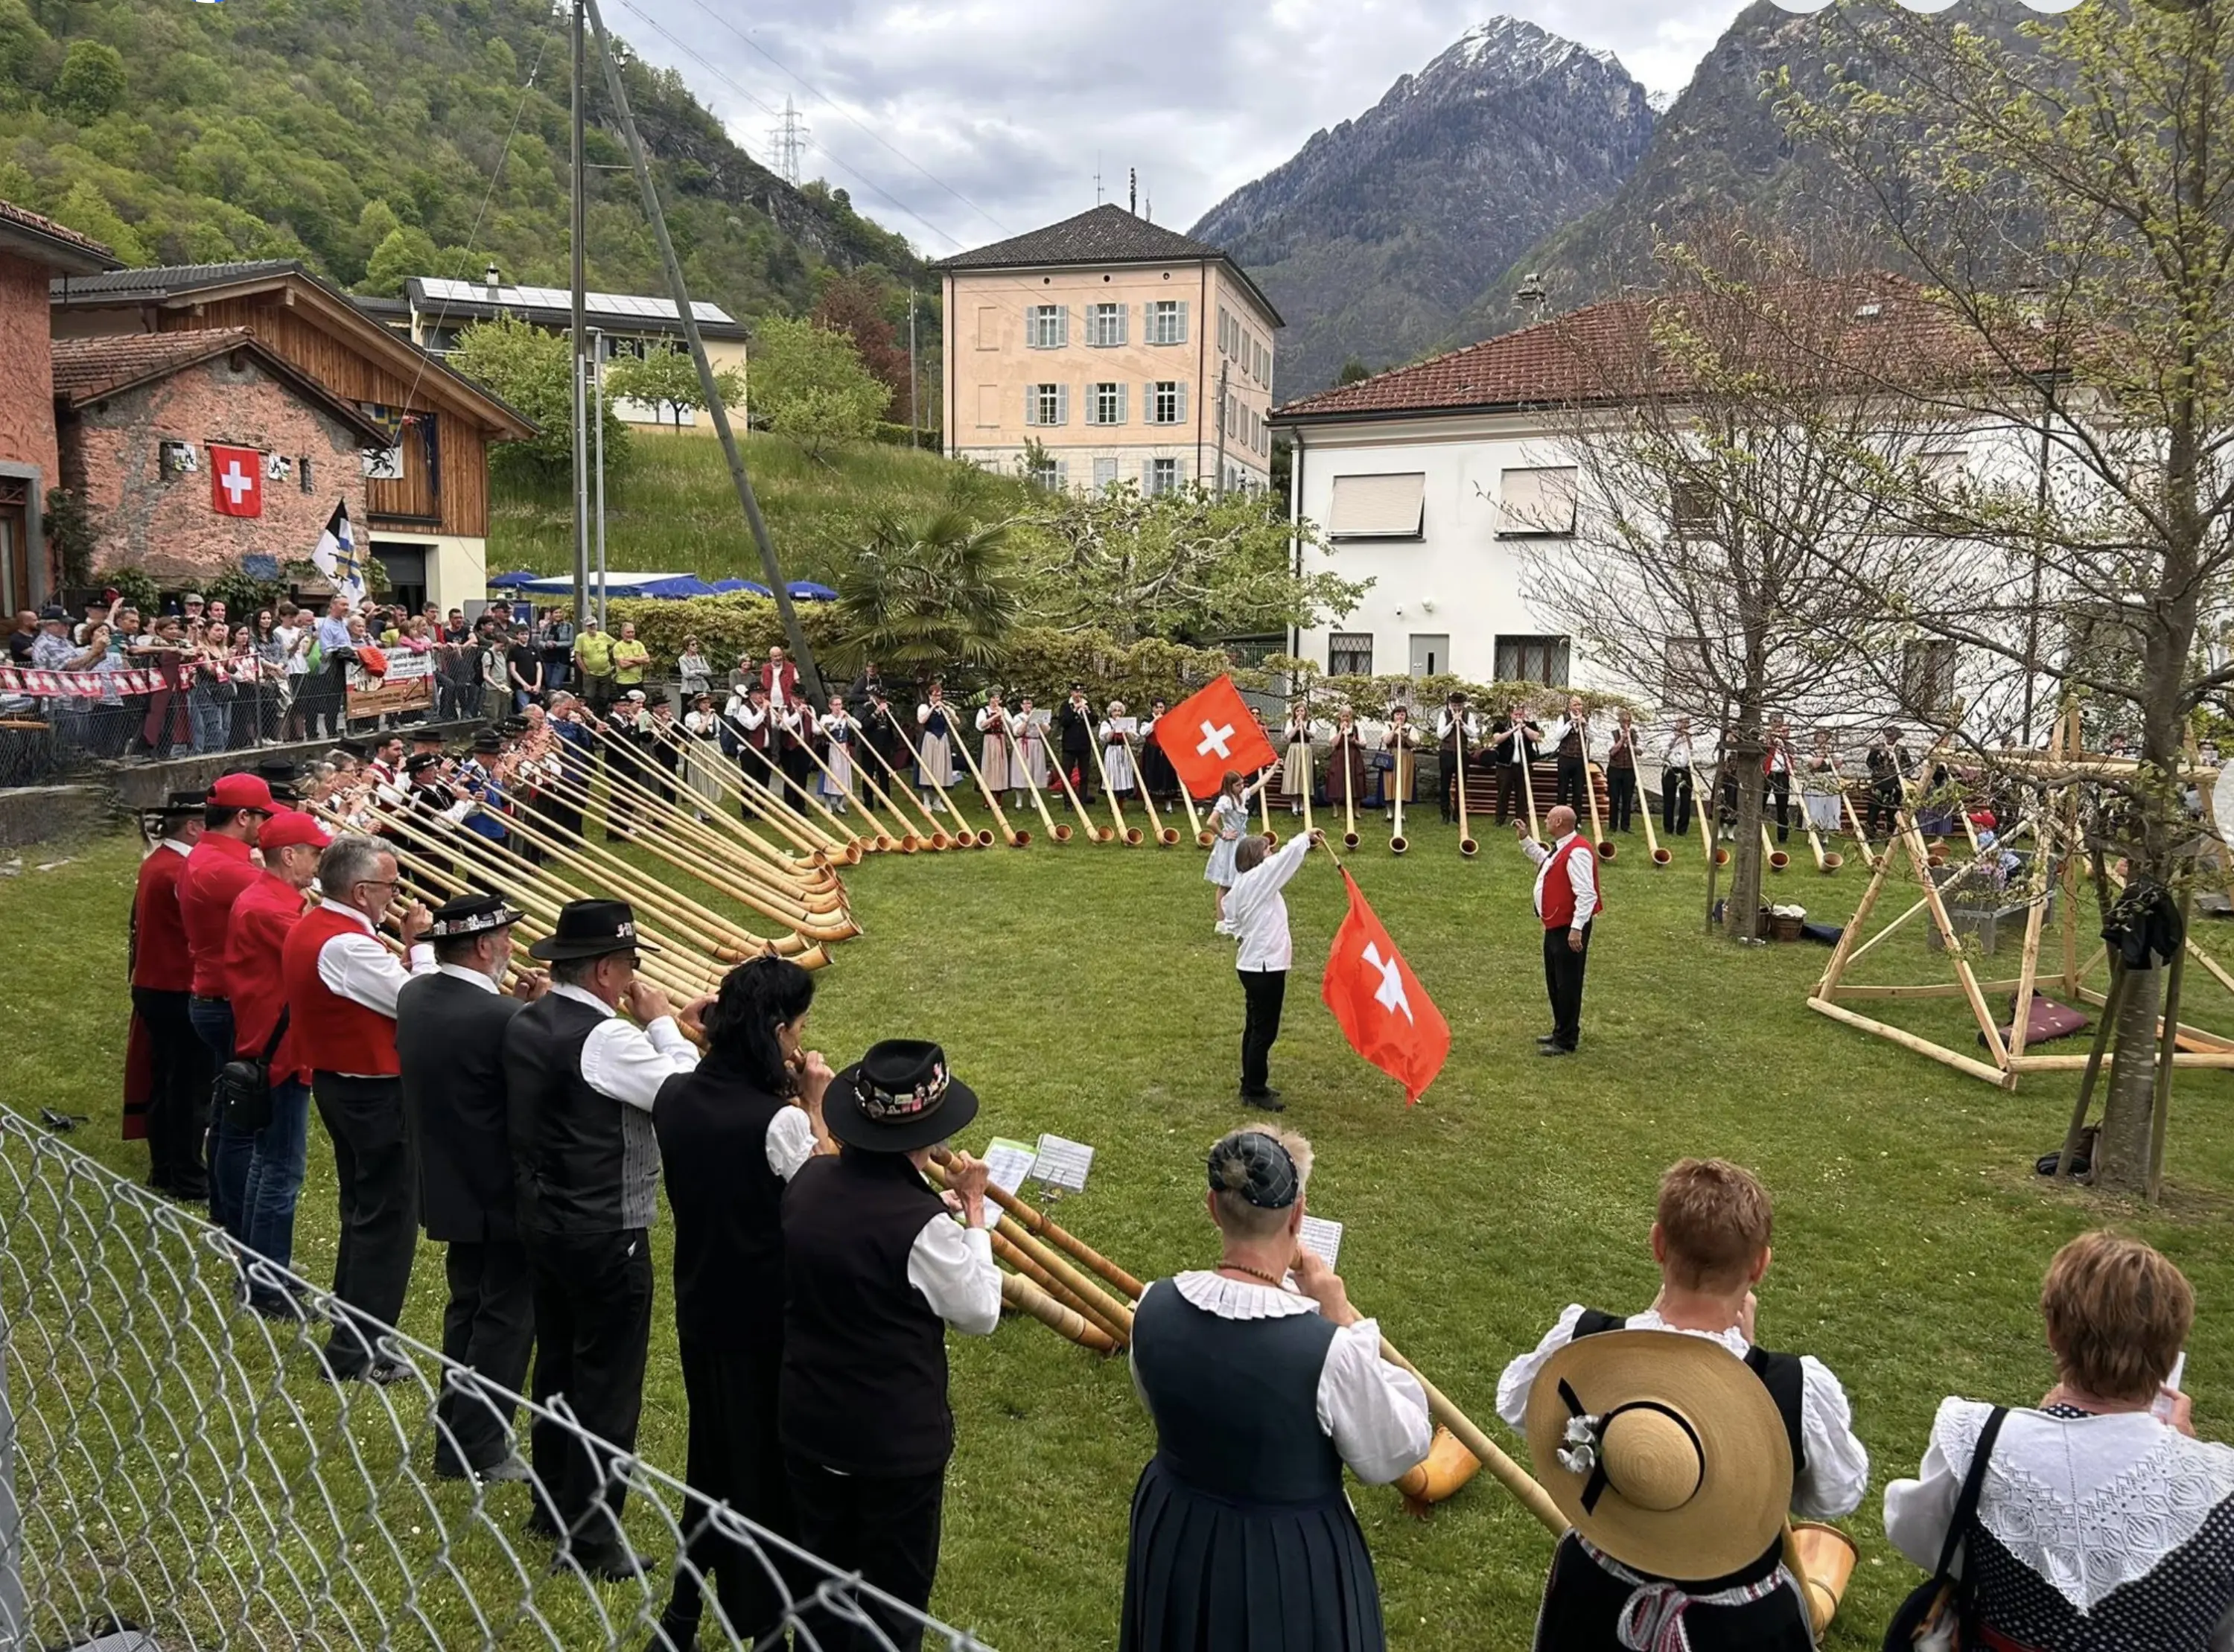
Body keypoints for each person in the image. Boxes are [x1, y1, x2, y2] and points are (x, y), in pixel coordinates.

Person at [1502, 1158, 1868, 1651]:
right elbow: (1834, 1494)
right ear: (1760, 1264)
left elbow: (1517, 1407)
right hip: (1740, 1624)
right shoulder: (1792, 1385)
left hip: (1594, 1596)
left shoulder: (1584, 1344)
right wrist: (1747, 1387)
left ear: (1657, 1243)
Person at [1121, 1128, 1430, 1652]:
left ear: (1213, 1208)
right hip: (1287, 1557)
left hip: (1175, 1531)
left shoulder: (1153, 1305)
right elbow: (1396, 1450)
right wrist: (1344, 1323)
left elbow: (1160, 1402)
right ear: (1297, 1214)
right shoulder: (1328, 1349)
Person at [1883, 1231, 2232, 1649]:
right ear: (2171, 1350)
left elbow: (1920, 1533)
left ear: (2053, 1331)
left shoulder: (1982, 1439)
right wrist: (2184, 1456)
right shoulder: (2221, 1486)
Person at [506, 899, 708, 1579]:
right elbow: (679, 1093)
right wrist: (661, 1024)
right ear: (602, 969)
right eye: (626, 968)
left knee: (558, 1362)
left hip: (544, 1216)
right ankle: (592, 1538)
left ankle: (551, 1503)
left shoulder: (530, 1017)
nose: (630, 981)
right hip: (605, 1226)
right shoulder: (609, 1037)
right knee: (608, 1385)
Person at [779, 1039, 1001, 1652]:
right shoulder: (922, 1226)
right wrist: (975, 1212)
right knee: (891, 1609)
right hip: (890, 1448)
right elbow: (981, 1310)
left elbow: (859, 1228)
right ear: (925, 1133)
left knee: (819, 1592)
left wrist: (937, 1208)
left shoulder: (809, 1178)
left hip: (811, 1425)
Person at [651, 956, 836, 1648]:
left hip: (702, 1305)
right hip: (768, 1320)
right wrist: (814, 1105)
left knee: (713, 1458)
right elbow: (826, 1202)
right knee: (764, 1475)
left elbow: (688, 1048)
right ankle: (762, 1622)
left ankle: (683, 1613)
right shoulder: (780, 1125)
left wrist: (716, 1033)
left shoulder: (674, 1095)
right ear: (781, 1029)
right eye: (798, 1028)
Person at [397, 893, 544, 1483]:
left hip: (449, 1180)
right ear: (484, 946)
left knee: (467, 1309)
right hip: (503, 1190)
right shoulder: (504, 1018)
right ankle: (480, 1445)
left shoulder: (416, 993)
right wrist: (535, 1011)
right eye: (505, 939)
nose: (510, 948)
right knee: (507, 1319)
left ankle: (454, 1433)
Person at [283, 833, 436, 1380]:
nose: (397, 896)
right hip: (373, 1091)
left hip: (347, 1084)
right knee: (386, 1222)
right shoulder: (349, 945)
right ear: (364, 889)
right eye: (391, 886)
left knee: (365, 1213)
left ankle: (354, 1331)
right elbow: (420, 1003)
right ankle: (358, 1350)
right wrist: (417, 944)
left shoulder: (323, 928)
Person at [220, 809, 329, 1314]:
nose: (319, 861)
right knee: (280, 1172)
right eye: (314, 852)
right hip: (282, 1053)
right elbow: (321, 956)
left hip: (273, 1046)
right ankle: (269, 1287)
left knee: (270, 1166)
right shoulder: (272, 909)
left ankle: (263, 1270)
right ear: (290, 855)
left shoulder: (270, 898)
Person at [180, 772, 278, 1227]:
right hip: (231, 1003)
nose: (267, 826)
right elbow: (290, 904)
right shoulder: (232, 870)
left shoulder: (206, 857)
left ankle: (226, 1216)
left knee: (227, 1113)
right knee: (243, 1123)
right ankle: (240, 1226)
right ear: (244, 817)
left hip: (211, 996)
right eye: (264, 817)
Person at [128, 791, 209, 1199]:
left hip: (155, 985)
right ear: (193, 826)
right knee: (188, 1090)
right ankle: (187, 1177)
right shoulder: (180, 870)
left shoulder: (158, 863)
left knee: (166, 1082)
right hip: (175, 988)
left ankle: (164, 1169)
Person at [1226, 828, 1323, 1109]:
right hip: (1264, 967)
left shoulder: (1244, 885)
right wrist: (1305, 837)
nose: (1271, 854)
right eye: (1266, 850)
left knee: (1254, 1027)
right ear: (1257, 859)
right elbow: (1283, 859)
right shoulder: (1258, 880)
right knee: (1264, 1031)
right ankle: (1255, 1090)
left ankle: (1250, 1083)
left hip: (1253, 964)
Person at [1517, 803, 1600, 1056]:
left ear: (1560, 823)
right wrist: (1525, 840)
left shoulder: (1578, 852)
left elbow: (1587, 893)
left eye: (1549, 819)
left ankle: (1566, 1039)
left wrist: (1576, 929)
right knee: (1555, 981)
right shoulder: (1562, 848)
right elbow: (1546, 861)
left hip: (1568, 927)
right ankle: (1560, 1028)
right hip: (1556, 925)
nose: (1545, 822)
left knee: (1568, 983)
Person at [1205, 771, 1250, 929]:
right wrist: (1223, 834)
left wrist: (1272, 770)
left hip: (1241, 843)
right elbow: (1211, 821)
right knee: (1225, 884)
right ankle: (1221, 921)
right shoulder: (1225, 800)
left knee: (1241, 881)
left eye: (1242, 783)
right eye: (1238, 785)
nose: (1242, 787)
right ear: (1230, 786)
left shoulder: (1241, 797)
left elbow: (1259, 785)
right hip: (1230, 846)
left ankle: (1234, 917)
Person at [1540, 694, 1591, 811]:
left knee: (1578, 791)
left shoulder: (1586, 719)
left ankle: (1576, 820)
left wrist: (1585, 725)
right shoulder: (1563, 718)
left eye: (1580, 704)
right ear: (1570, 706)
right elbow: (1558, 736)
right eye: (1575, 704)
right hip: (1565, 758)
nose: (1578, 707)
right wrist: (1570, 724)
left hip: (1580, 759)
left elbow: (1592, 739)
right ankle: (1560, 816)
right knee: (1562, 790)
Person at [914, 681, 958, 811]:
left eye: (940, 696)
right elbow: (922, 720)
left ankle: (938, 801)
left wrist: (947, 709)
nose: (938, 698)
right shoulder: (924, 707)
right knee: (928, 769)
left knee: (942, 769)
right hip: (929, 739)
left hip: (942, 739)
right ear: (930, 696)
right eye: (935, 696)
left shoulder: (944, 708)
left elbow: (957, 721)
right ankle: (926, 801)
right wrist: (933, 708)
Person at [1057, 683, 1096, 805]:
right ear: (1071, 693)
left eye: (1081, 692)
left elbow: (1094, 722)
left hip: (1084, 745)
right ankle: (1068, 802)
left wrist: (1088, 711)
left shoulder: (1087, 703)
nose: (1079, 694)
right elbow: (1064, 722)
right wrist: (1075, 711)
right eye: (1076, 692)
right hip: (1069, 746)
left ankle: (1082, 800)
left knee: (1084, 775)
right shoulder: (1066, 705)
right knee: (1067, 774)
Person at [975, 689, 1015, 805]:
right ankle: (987, 798)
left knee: (1000, 768)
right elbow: (981, 725)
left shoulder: (1004, 711)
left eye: (997, 698)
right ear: (989, 699)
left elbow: (1011, 726)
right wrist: (995, 716)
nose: (995, 700)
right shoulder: (983, 711)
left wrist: (1003, 716)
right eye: (993, 698)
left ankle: (999, 798)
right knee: (988, 767)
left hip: (1000, 740)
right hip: (989, 740)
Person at [1381, 705, 1419, 823]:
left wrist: (1406, 736)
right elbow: (1386, 741)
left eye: (1402, 714)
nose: (1400, 717)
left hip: (1405, 757)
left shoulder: (1410, 728)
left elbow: (1414, 744)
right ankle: (1390, 812)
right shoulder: (1388, 726)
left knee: (1404, 784)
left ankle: (1402, 812)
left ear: (1405, 716)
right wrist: (1394, 730)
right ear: (1393, 715)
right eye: (1397, 714)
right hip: (1391, 757)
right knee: (1390, 784)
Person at [1604, 709, 1639, 833]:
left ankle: (1626, 826)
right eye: (1624, 721)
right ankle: (1612, 826)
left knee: (1627, 798)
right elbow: (1611, 752)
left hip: (1629, 769)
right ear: (1619, 722)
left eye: (1629, 721)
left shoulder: (1635, 734)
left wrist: (1630, 744)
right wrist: (1621, 740)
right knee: (1614, 798)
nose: (1626, 724)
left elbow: (1641, 752)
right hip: (1615, 769)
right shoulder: (1613, 734)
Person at [1663, 715, 1697, 839]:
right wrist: (1676, 737)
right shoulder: (1668, 734)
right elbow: (1664, 752)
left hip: (1686, 769)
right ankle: (1668, 828)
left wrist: (1688, 739)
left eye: (1687, 723)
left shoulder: (1692, 736)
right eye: (1682, 722)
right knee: (1669, 799)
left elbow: (1694, 753)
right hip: (1671, 768)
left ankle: (1682, 829)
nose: (1685, 725)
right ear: (1677, 723)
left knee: (1686, 800)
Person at [1139, 697, 1177, 807]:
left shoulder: (1169, 718)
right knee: (1151, 775)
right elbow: (1143, 732)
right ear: (1153, 708)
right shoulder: (1147, 719)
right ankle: (1149, 804)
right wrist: (1155, 720)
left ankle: (1168, 803)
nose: (1160, 710)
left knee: (1167, 776)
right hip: (1152, 751)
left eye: (1162, 707)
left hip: (1165, 751)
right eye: (1157, 707)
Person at [1280, 701, 1317, 817]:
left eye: (1302, 710)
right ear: (1294, 712)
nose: (1300, 713)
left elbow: (1312, 735)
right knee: (1294, 775)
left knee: (1303, 776)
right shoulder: (1290, 722)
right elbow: (1289, 736)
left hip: (1305, 750)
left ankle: (1302, 805)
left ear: (1305, 712)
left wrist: (1304, 728)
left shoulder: (1310, 722)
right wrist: (1296, 726)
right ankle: (1294, 805)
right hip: (1294, 749)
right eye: (1297, 711)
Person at [572, 615, 615, 712]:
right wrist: (585, 672)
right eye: (589, 625)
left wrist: (612, 661)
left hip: (606, 672)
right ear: (586, 627)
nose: (592, 627)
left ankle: (602, 715)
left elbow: (616, 645)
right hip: (590, 673)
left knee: (605, 697)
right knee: (588, 698)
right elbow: (578, 656)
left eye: (594, 625)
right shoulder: (581, 638)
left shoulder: (603, 635)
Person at [1763, 714, 1794, 843]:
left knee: (1782, 806)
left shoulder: (1788, 737)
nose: (1777, 724)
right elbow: (1763, 750)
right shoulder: (1766, 735)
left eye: (1779, 721)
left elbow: (1793, 752)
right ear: (1770, 723)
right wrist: (1770, 739)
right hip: (1767, 773)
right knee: (1760, 803)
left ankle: (1782, 837)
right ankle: (1757, 832)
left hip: (1782, 774)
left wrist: (1784, 742)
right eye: (1774, 722)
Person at [1100, 701, 1136, 800]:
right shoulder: (1107, 723)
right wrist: (1115, 727)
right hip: (1112, 751)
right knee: (1112, 776)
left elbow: (1133, 739)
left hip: (1124, 750)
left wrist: (1126, 730)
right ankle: (1112, 803)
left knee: (1124, 776)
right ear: (1111, 712)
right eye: (1115, 711)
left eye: (1119, 711)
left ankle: (1121, 802)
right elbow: (1106, 738)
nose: (1117, 713)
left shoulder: (1126, 722)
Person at [676, 635, 711, 702]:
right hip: (688, 690)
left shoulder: (701, 658)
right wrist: (702, 675)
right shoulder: (682, 659)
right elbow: (687, 675)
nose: (696, 646)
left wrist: (696, 671)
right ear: (687, 646)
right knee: (686, 711)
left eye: (696, 644)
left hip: (702, 688)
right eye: (693, 644)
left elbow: (709, 672)